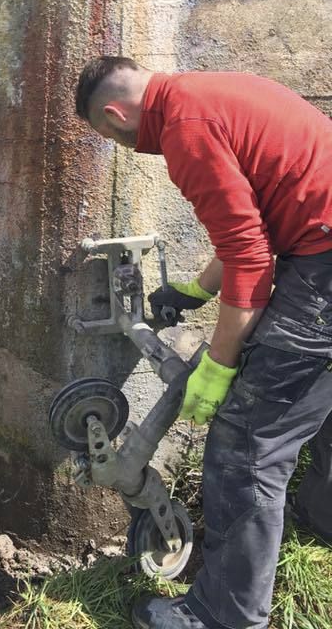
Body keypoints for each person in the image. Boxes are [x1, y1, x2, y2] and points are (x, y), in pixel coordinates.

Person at [75, 55, 332, 629]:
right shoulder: (204, 95)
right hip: (319, 242)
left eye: (109, 136)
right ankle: (322, 516)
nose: (122, 144)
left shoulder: (184, 131)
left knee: (247, 445)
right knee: (316, 401)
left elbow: (250, 259)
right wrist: (195, 289)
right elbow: (257, 221)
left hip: (322, 268)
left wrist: (218, 365)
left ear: (114, 115)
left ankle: (224, 615)